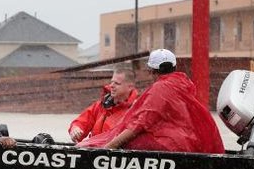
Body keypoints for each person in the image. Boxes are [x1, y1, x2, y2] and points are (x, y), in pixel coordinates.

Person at [78, 49, 224, 154]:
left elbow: (139, 124)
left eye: (116, 83)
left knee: (128, 143)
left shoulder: (161, 89)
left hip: (172, 145)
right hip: (187, 142)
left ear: (151, 71)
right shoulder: (182, 84)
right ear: (174, 67)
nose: (113, 86)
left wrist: (108, 148)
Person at [68, 67, 139, 142]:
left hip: (115, 151)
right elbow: (82, 121)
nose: (111, 85)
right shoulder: (102, 104)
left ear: (130, 87)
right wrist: (76, 129)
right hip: (95, 149)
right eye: (112, 82)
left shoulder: (137, 109)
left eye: (117, 83)